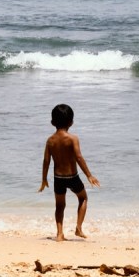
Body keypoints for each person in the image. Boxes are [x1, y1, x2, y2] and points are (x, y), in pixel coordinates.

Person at [37, 103, 100, 240]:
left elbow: (46, 161)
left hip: (58, 178)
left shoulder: (50, 141)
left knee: (59, 205)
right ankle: (78, 228)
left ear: (52, 122)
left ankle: (59, 234)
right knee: (83, 198)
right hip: (72, 177)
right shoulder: (72, 139)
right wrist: (89, 175)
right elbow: (78, 157)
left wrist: (44, 179)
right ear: (71, 122)